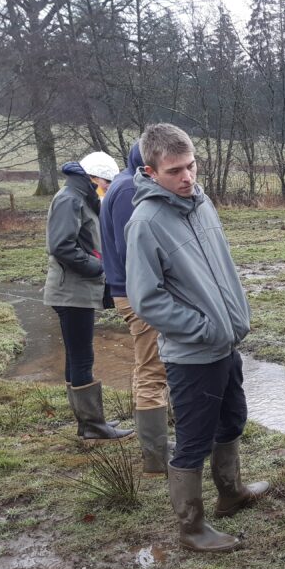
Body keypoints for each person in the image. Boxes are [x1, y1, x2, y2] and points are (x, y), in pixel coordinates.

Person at [126, 123, 270, 553]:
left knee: (232, 419)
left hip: (226, 345)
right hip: (192, 355)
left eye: (190, 166)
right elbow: (146, 299)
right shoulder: (146, 222)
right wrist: (203, 328)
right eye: (174, 171)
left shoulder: (201, 204)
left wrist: (232, 319)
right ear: (151, 172)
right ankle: (191, 527)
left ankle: (231, 492)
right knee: (192, 441)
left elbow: (220, 270)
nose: (187, 177)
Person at [44, 151, 133, 445]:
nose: (107, 187)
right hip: (72, 292)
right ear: (92, 177)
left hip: (78, 290)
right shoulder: (70, 199)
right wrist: (101, 268)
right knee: (83, 356)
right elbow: (61, 246)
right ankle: (93, 425)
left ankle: (88, 422)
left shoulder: (80, 197)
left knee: (76, 355)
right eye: (105, 182)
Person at [100, 140, 172, 475]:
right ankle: (157, 456)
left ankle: (156, 444)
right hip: (137, 294)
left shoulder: (120, 182)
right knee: (153, 371)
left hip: (129, 291)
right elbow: (133, 251)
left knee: (147, 366)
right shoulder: (130, 188)